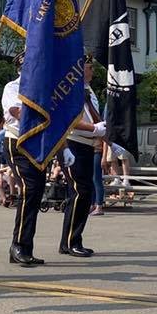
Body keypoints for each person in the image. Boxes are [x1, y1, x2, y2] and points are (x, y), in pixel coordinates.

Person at [60, 54, 108, 257]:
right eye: (89, 67)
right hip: (74, 144)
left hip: (87, 145)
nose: (92, 71)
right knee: (80, 192)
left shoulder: (89, 91)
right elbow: (67, 119)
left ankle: (71, 240)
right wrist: (94, 128)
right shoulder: (71, 90)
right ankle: (71, 241)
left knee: (83, 193)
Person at [2, 52, 44, 264]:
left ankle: (25, 246)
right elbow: (17, 112)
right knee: (29, 190)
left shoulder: (43, 88)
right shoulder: (12, 87)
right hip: (17, 141)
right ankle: (17, 245)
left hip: (38, 142)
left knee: (36, 193)